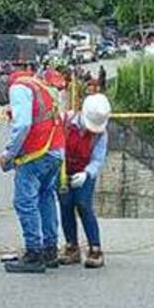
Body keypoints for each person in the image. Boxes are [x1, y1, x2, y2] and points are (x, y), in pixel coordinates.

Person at [0, 69, 66, 274]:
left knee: (24, 201)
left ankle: (34, 253)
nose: (0, 102)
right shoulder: (35, 83)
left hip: (37, 152)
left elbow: (22, 125)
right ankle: (50, 249)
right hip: (55, 150)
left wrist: (8, 153)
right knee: (45, 197)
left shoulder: (18, 88)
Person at [59, 93, 111, 268]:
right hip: (63, 170)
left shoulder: (100, 134)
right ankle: (71, 246)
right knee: (65, 204)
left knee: (83, 204)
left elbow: (97, 159)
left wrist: (86, 174)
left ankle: (95, 248)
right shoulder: (65, 121)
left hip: (85, 172)